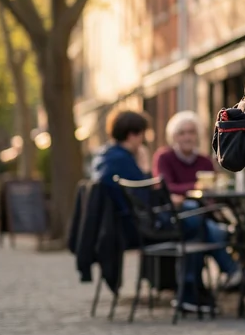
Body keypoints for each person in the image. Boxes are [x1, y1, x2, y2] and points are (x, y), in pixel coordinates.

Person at [91, 109, 218, 312]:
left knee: (197, 222)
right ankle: (190, 292)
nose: (143, 141)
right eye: (143, 136)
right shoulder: (122, 161)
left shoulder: (107, 158)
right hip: (136, 229)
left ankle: (192, 291)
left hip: (123, 226)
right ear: (133, 135)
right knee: (197, 224)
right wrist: (144, 166)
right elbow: (144, 195)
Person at [152, 111, 244, 291]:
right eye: (182, 133)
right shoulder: (164, 157)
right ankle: (233, 270)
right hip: (174, 217)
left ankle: (192, 290)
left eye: (191, 132)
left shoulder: (205, 161)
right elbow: (165, 186)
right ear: (173, 136)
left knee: (202, 225)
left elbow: (214, 188)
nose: (187, 137)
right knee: (204, 223)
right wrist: (195, 187)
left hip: (204, 214)